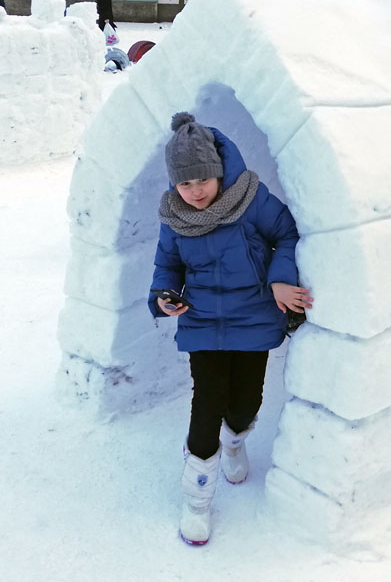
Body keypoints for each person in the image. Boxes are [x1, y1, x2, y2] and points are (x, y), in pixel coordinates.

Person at [147, 112, 312, 547]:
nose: (195, 192)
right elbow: (168, 264)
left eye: (202, 180)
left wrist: (280, 278)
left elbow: (289, 234)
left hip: (253, 315)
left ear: (219, 172)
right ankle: (196, 498)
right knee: (206, 401)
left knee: (245, 403)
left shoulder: (251, 198)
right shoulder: (174, 216)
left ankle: (235, 440)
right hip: (202, 321)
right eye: (185, 184)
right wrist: (165, 295)